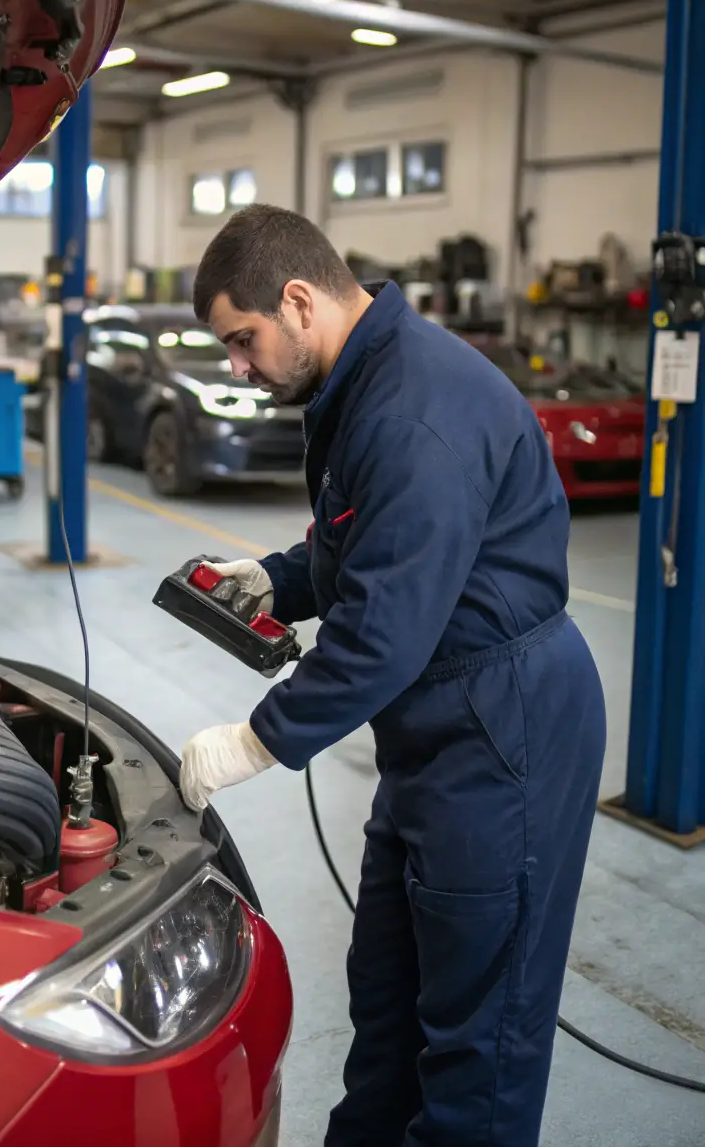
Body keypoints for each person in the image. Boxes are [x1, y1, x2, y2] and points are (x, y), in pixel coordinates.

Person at [177, 204, 606, 1147]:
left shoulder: (412, 410)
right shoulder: (366, 379)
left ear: (297, 300)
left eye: (242, 341)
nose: (238, 367)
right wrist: (277, 580)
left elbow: (384, 633)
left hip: (503, 727)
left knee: (476, 1046)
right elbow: (370, 543)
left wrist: (257, 740)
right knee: (390, 1003)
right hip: (435, 725)